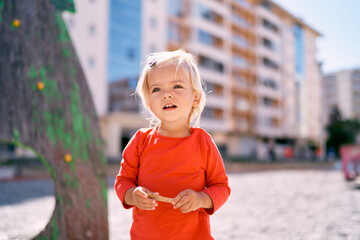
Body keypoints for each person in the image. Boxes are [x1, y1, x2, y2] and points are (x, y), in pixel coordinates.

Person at [114, 49, 231, 240]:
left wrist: (201, 199)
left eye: (176, 86)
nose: (166, 95)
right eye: (156, 89)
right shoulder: (140, 141)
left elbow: (221, 187)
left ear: (195, 97)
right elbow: (122, 181)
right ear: (150, 105)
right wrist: (131, 195)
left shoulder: (203, 142)